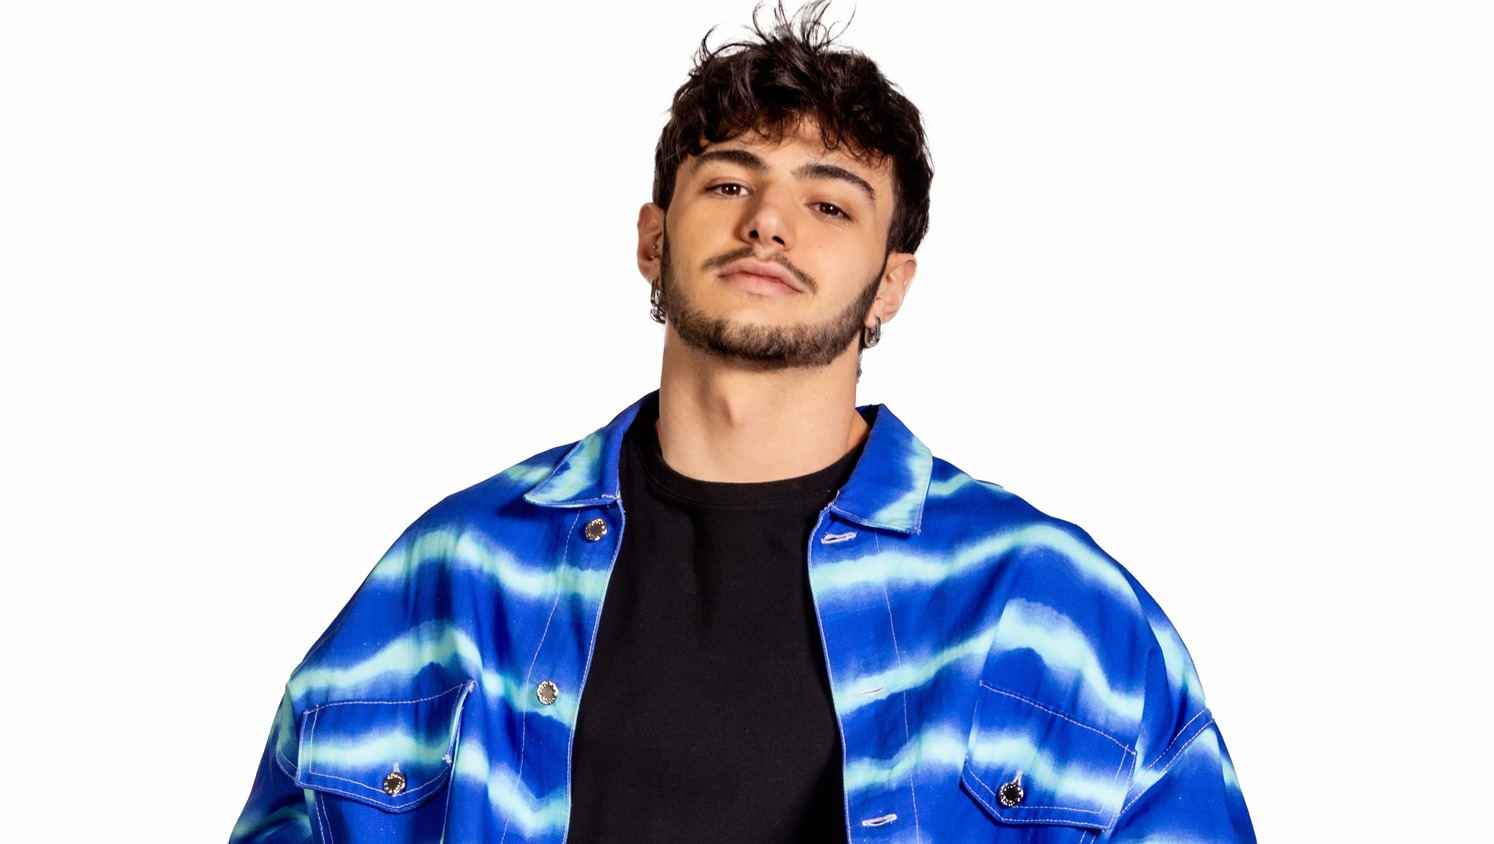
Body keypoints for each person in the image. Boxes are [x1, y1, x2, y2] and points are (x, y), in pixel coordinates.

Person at [231, 3, 1255, 841]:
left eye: (830, 205)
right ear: (652, 239)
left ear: (891, 283)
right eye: (728, 182)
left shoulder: (1050, 606)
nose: (767, 220)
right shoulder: (458, 573)